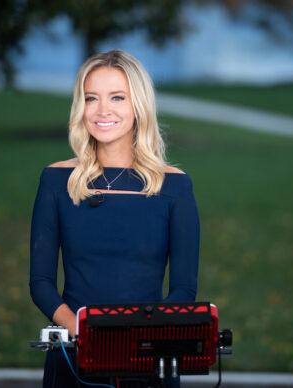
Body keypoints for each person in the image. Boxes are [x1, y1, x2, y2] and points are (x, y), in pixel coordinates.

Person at [29, 49, 200, 388]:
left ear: (138, 105)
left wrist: (139, 334)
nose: (102, 110)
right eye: (91, 98)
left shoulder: (175, 185)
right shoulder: (55, 180)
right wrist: (83, 330)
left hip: (148, 358)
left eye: (117, 97)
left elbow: (183, 289)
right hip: (75, 357)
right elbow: (41, 284)